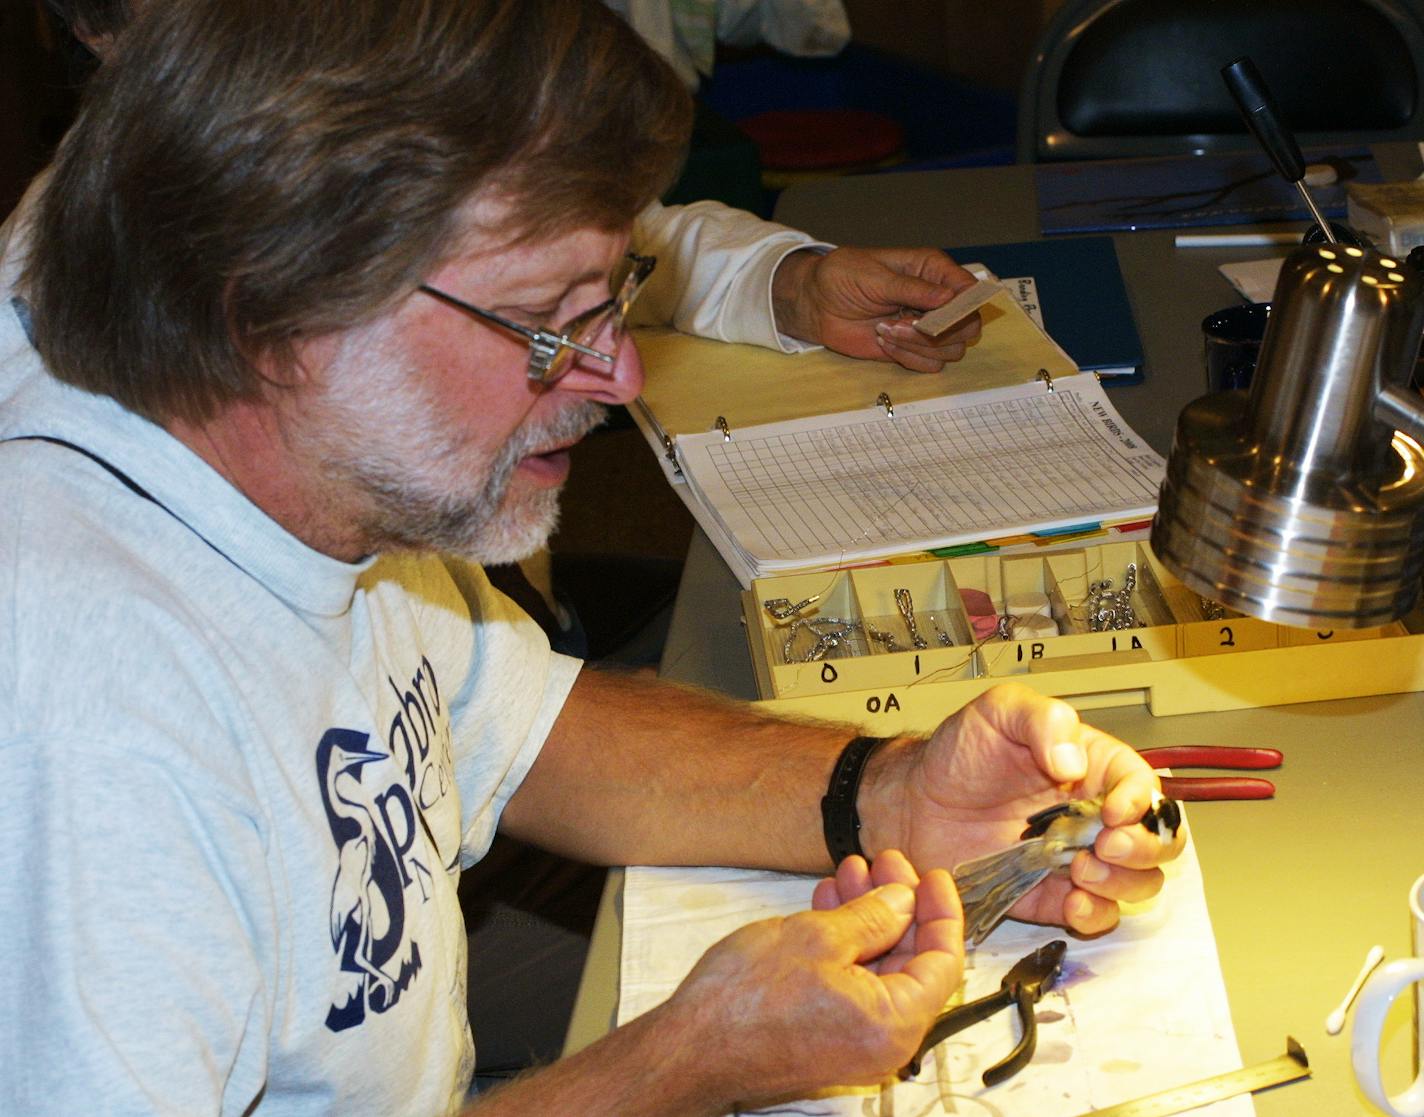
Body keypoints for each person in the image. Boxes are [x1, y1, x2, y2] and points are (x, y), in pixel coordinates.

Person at [0, 2, 1179, 1114]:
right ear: (267, 316)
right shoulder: (87, 723)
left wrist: (895, 793)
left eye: (611, 298)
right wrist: (680, 1063)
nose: (618, 375)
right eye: (547, 325)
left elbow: (522, 729)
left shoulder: (322, 472)